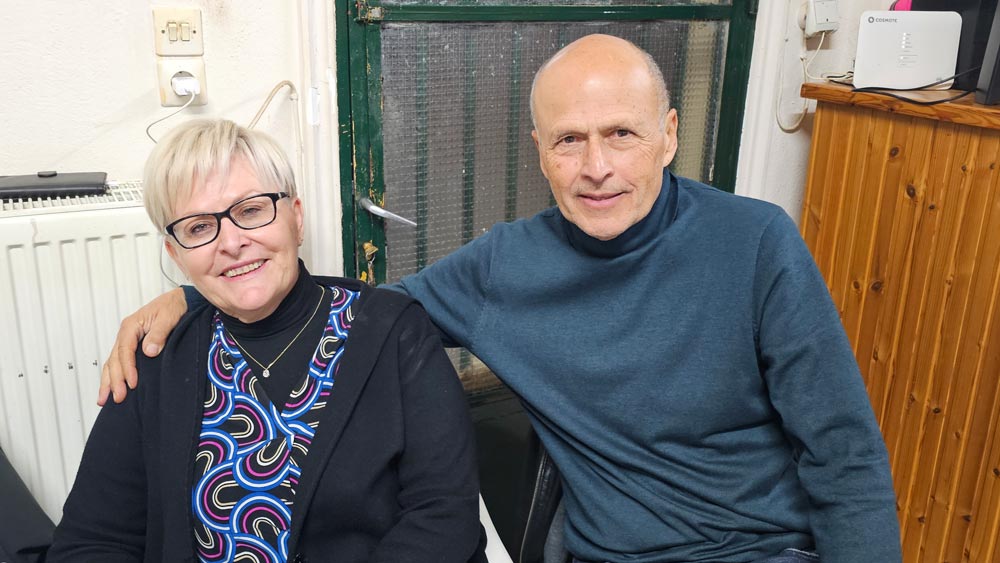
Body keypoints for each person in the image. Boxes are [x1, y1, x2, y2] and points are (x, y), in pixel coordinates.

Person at [99, 35, 903, 563]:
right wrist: (204, 297)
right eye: (569, 140)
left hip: (766, 548)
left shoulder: (756, 241)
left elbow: (844, 450)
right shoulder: (503, 267)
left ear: (668, 134)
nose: (596, 167)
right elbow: (356, 314)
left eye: (621, 134)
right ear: (540, 153)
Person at [50, 119, 485, 562]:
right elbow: (91, 541)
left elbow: (445, 514)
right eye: (198, 228)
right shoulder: (157, 357)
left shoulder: (394, 333)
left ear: (296, 218)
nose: (231, 242)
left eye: (251, 210)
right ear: (176, 256)